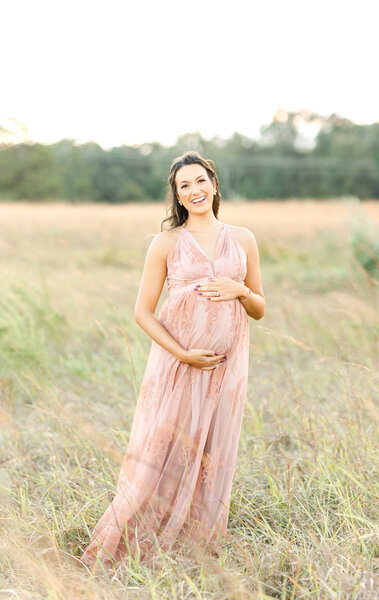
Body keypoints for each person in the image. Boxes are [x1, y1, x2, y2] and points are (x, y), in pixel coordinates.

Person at [80, 150, 265, 573]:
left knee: (212, 451)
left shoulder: (244, 239)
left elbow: (259, 307)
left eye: (201, 181)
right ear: (178, 196)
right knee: (164, 450)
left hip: (227, 366)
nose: (195, 190)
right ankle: (130, 541)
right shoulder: (166, 243)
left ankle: (195, 547)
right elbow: (142, 311)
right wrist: (182, 354)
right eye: (185, 186)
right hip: (179, 364)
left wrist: (239, 291)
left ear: (214, 185)